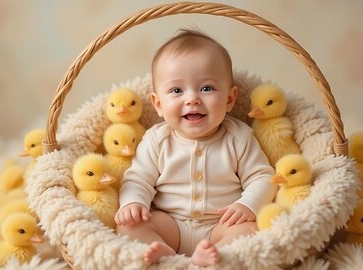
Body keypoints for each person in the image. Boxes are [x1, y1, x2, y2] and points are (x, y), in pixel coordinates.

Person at [115, 29, 277, 267]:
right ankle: (169, 257)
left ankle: (212, 257)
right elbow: (137, 179)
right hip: (170, 225)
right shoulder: (157, 140)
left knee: (250, 230)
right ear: (158, 104)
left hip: (221, 226)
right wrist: (133, 203)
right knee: (129, 226)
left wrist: (247, 204)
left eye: (207, 88)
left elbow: (263, 176)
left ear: (230, 99)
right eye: (177, 91)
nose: (192, 99)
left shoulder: (239, 137)